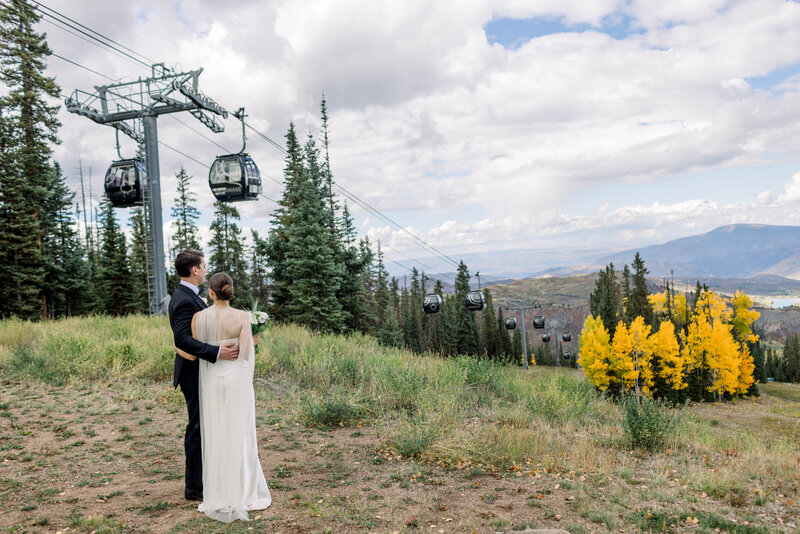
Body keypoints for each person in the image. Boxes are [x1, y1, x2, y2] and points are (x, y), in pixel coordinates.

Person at [176, 272, 271, 522]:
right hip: (236, 381)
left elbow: (197, 350)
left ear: (211, 292)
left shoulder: (198, 318)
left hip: (212, 382)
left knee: (216, 433)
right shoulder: (241, 317)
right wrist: (253, 338)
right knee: (240, 433)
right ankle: (244, 488)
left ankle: (218, 491)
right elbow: (246, 356)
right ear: (230, 291)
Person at [169, 250, 239, 502]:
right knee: (197, 428)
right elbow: (182, 339)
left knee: (203, 426)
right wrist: (218, 351)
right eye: (204, 266)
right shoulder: (184, 299)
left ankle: (202, 481)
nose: (206, 270)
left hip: (199, 371)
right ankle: (195, 488)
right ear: (194, 270)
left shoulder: (188, 295)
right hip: (192, 373)